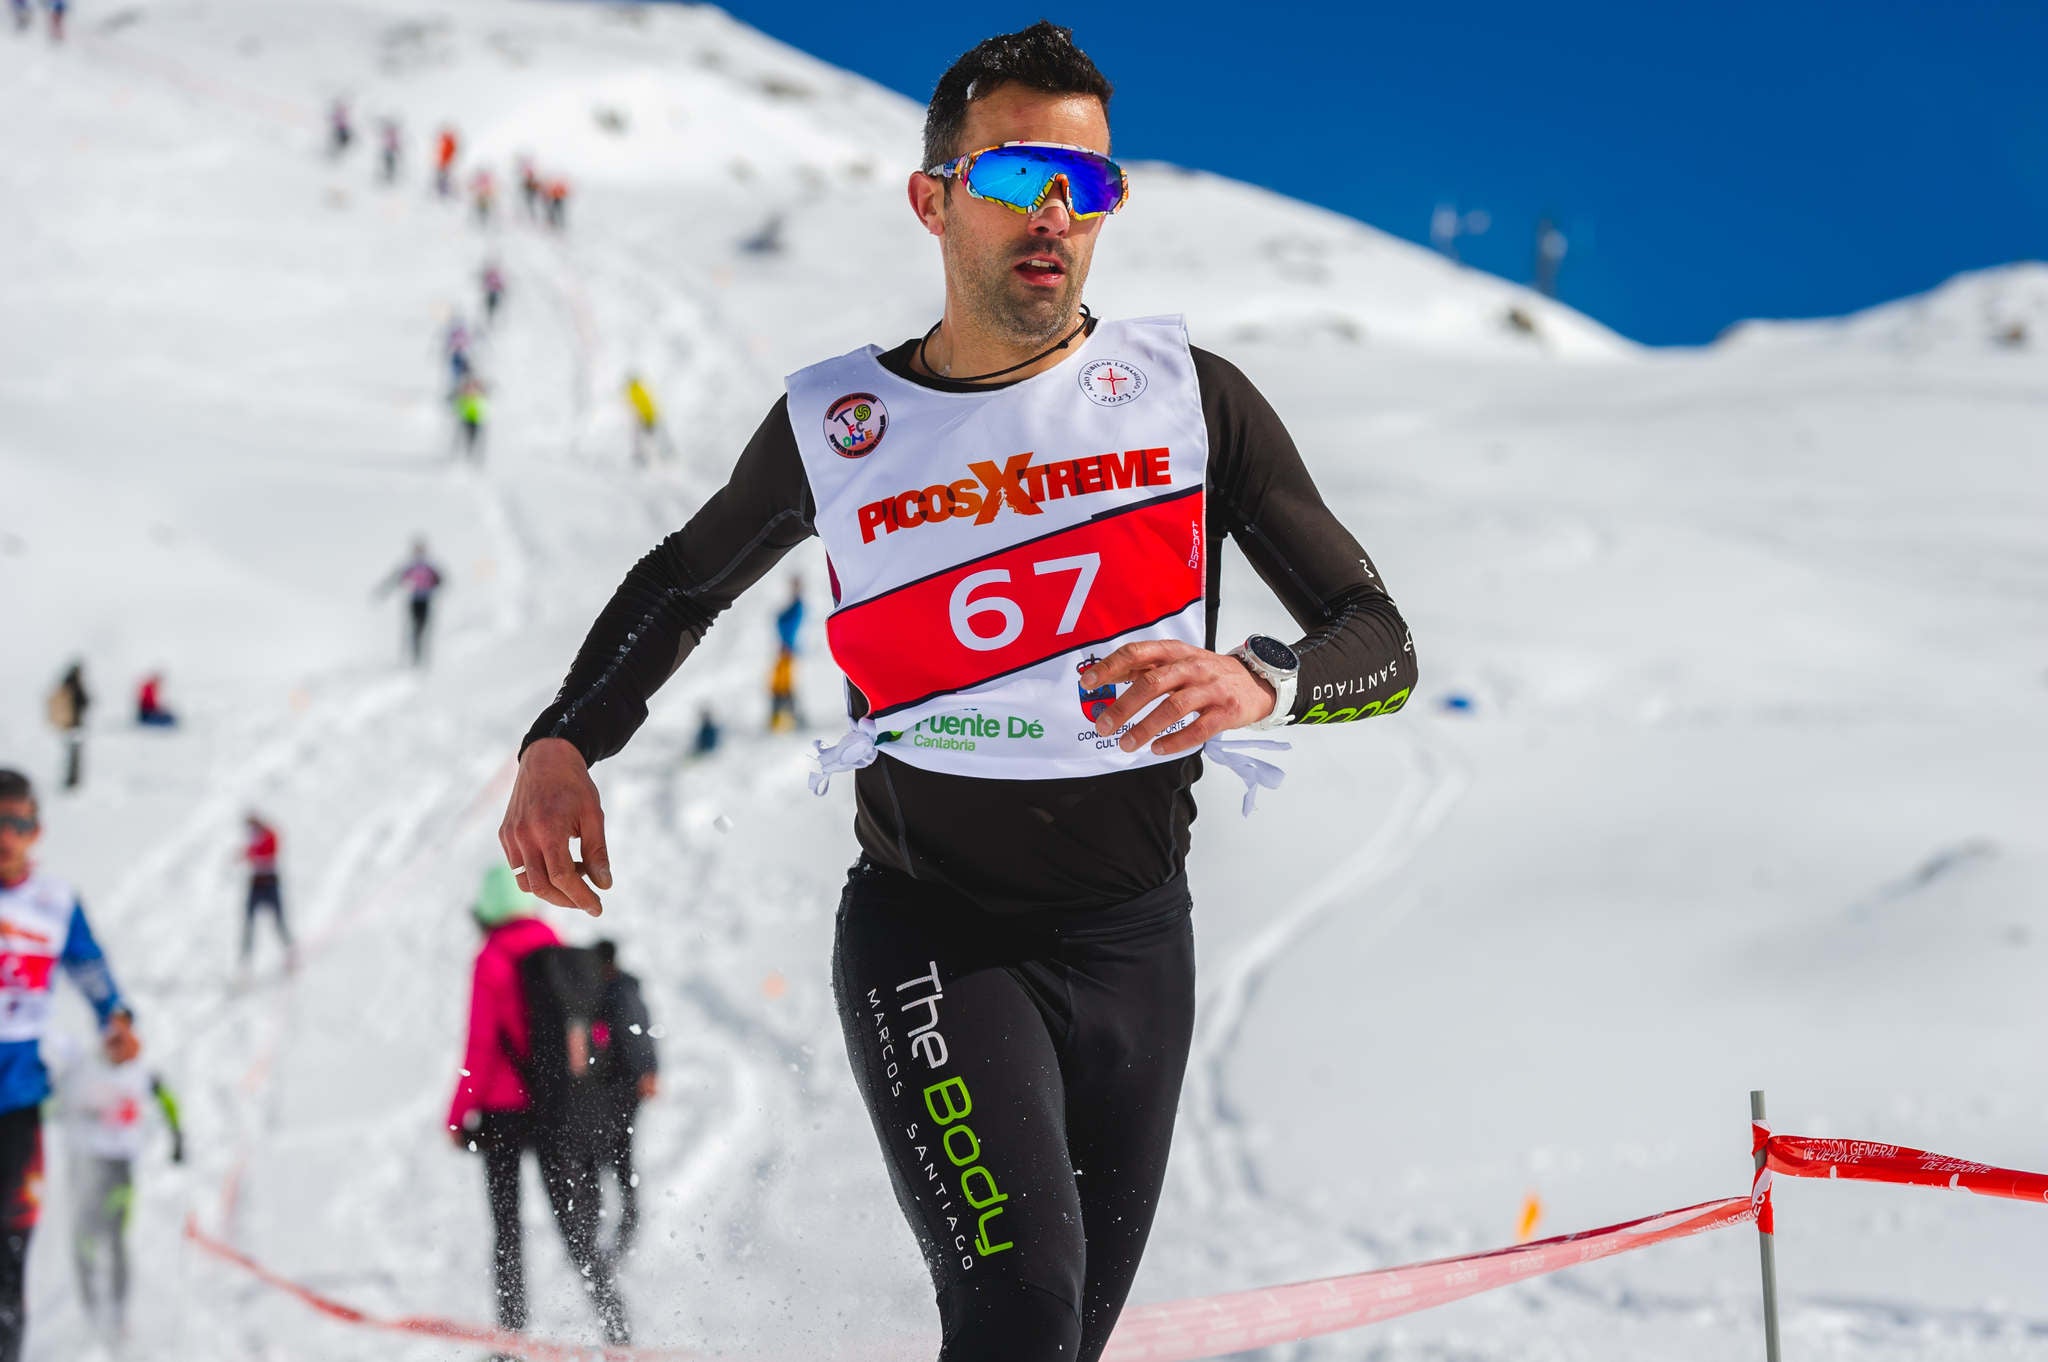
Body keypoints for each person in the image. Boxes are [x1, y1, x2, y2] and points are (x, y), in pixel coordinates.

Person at [497, 23, 1414, 1362]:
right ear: (932, 200)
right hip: (936, 931)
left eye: (1086, 185)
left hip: (1134, 949)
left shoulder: (1191, 404)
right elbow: (684, 579)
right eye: (1015, 174)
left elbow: (1378, 639)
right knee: (1020, 1310)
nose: (1053, 210)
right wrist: (564, 740)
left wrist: (1259, 678)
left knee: (1057, 1336)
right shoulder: (840, 424)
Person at [447, 865, 628, 1347]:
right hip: (556, 1103)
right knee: (574, 1225)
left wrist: (456, 1114)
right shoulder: (550, 941)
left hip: (503, 1113)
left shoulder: (490, 958)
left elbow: (481, 1045)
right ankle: (617, 1327)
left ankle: (512, 1339)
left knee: (507, 1227)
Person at [0, 769, 140, 1362]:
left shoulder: (54, 903)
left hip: (18, 1103)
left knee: (10, 1259)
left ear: (37, 831)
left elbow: (89, 969)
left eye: (18, 822)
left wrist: (118, 1019)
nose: (5, 835)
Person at [46, 1027, 184, 1344]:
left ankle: (119, 1314)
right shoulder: (83, 1071)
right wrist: (83, 1114)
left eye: (125, 1043)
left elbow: (168, 1103)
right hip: (83, 1166)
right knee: (83, 1239)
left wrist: (178, 1139)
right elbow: (51, 1104)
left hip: (119, 1169)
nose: (118, 1049)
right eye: (113, 1041)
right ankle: (90, 1310)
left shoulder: (141, 1075)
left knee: (115, 1238)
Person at [590, 940, 656, 1264]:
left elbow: (637, 1035)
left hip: (623, 1088)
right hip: (616, 1088)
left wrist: (646, 1072)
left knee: (617, 1156)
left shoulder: (619, 992)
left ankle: (626, 1227)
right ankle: (618, 1226)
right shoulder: (616, 989)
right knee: (615, 1156)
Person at [376, 540, 444, 666]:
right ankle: (414, 658)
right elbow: (394, 579)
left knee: (422, 628)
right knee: (414, 628)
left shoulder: (429, 566)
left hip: (425, 601)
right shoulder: (409, 566)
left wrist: (432, 587)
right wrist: (383, 592)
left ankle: (422, 657)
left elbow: (440, 580)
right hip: (413, 601)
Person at [240, 814, 294, 971]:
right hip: (256, 883)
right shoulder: (253, 838)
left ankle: (290, 953)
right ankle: (245, 964)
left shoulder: (268, 835)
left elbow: (269, 850)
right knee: (249, 924)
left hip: (270, 882)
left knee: (279, 922)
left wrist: (252, 852)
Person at [767, 578, 804, 733]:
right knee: (780, 683)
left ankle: (787, 719)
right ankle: (782, 719)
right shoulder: (795, 605)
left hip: (788, 647)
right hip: (786, 647)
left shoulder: (798, 606)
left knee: (784, 685)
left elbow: (788, 624)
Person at [44, 663, 88, 792]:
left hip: (69, 726)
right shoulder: (74, 685)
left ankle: (71, 780)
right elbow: (84, 702)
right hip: (74, 725)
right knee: (74, 755)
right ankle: (72, 781)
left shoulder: (65, 684)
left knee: (71, 755)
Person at [623, 374, 662, 464]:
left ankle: (645, 456)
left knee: (642, 437)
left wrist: (642, 416)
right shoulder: (639, 389)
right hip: (647, 416)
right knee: (645, 437)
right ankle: (645, 455)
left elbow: (641, 404)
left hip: (645, 417)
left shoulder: (634, 391)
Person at [454, 376, 488, 461]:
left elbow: (483, 405)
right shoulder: (464, 396)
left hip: (476, 419)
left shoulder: (479, 396)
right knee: (466, 437)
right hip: (466, 419)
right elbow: (459, 405)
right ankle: (464, 454)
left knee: (474, 437)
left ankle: (473, 454)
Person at [434, 126, 459, 198]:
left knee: (444, 177)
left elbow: (451, 153)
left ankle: (443, 191)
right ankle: (441, 189)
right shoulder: (447, 142)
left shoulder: (450, 143)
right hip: (443, 162)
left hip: (446, 163)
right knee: (442, 176)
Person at [480, 261, 506, 326]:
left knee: (493, 304)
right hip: (491, 293)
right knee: (490, 305)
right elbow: (487, 283)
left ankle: (492, 317)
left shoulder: (495, 277)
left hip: (494, 293)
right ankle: (490, 317)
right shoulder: (491, 276)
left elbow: (499, 285)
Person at [378, 117, 402, 183]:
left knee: (390, 164)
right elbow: (389, 143)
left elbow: (394, 143)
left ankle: (389, 175)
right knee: (389, 164)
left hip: (390, 151)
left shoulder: (391, 133)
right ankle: (388, 175)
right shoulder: (389, 133)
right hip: (388, 151)